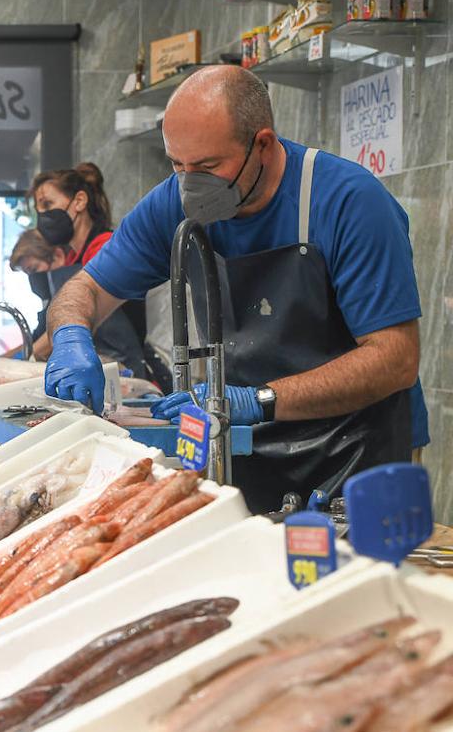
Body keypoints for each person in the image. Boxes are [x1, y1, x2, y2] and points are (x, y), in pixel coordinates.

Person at [43, 65, 427, 513]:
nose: (190, 184)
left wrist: (257, 399)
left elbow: (394, 358)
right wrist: (71, 336)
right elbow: (85, 288)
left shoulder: (349, 201)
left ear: (262, 145)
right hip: (249, 444)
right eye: (177, 165)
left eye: (207, 167)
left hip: (358, 451)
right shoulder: (174, 203)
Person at [10, 163, 157, 385]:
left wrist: (22, 360)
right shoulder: (71, 261)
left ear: (79, 201)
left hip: (126, 376)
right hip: (96, 371)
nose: (43, 216)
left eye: (48, 204)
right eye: (38, 210)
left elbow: (78, 318)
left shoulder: (106, 248)